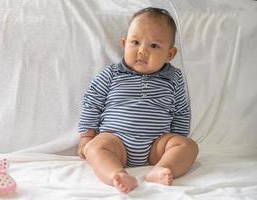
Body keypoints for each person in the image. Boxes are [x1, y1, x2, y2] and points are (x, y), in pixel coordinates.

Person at [78, 7, 198, 194]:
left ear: (170, 54)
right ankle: (117, 174)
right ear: (124, 43)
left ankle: (162, 168)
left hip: (156, 146)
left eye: (154, 46)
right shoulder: (111, 74)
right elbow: (92, 103)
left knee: (189, 146)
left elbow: (181, 110)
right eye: (135, 42)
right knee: (95, 147)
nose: (142, 51)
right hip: (116, 142)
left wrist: (176, 139)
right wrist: (86, 137)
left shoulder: (174, 79)